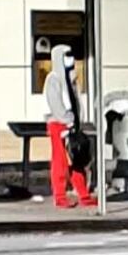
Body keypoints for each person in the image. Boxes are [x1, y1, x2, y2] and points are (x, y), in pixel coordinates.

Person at [44, 43, 97, 210]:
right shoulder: (53, 79)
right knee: (60, 161)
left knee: (78, 159)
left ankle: (83, 194)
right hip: (58, 125)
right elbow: (55, 104)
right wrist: (66, 119)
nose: (71, 59)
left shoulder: (71, 79)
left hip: (73, 125)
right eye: (67, 55)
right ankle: (60, 196)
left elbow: (76, 102)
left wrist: (77, 121)